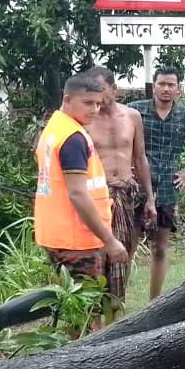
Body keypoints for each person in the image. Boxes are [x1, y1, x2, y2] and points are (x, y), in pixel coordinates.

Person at [34, 73, 129, 314]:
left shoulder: (54, 128)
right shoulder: (72, 138)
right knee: (87, 315)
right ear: (67, 100)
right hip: (77, 240)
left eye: (98, 103)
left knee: (71, 310)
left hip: (56, 235)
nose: (95, 109)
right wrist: (110, 241)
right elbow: (78, 194)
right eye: (88, 103)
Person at [82, 66, 156, 323]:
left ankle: (114, 323)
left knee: (121, 261)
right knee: (95, 263)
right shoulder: (86, 120)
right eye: (91, 91)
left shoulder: (132, 116)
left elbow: (140, 157)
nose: (97, 96)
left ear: (114, 89)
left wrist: (150, 198)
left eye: (101, 89)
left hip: (125, 196)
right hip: (96, 199)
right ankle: (92, 326)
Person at [128, 66, 185, 299]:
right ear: (154, 87)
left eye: (171, 85)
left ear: (178, 89)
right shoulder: (135, 112)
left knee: (160, 248)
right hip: (135, 190)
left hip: (167, 191)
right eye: (161, 84)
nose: (166, 89)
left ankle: (154, 303)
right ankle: (118, 303)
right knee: (128, 248)